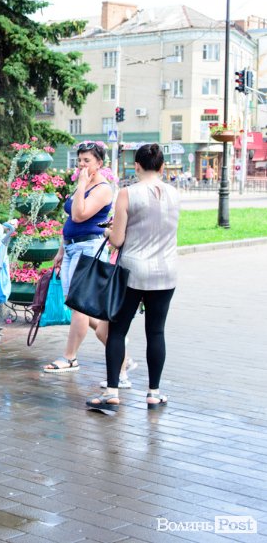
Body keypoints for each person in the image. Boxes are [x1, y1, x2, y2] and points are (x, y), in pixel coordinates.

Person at [87, 144, 179, 411]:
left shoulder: (127, 193)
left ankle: (112, 391)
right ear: (162, 167)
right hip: (166, 271)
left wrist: (107, 232)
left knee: (117, 330)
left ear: (136, 165)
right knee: (156, 331)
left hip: (133, 271)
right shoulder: (175, 194)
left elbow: (117, 240)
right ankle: (154, 393)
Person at [44, 141, 136, 382]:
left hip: (88, 248)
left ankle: (70, 357)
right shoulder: (82, 184)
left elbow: (79, 215)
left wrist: (82, 185)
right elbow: (69, 221)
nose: (82, 165)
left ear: (99, 163)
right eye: (79, 160)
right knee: (79, 306)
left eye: (87, 160)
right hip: (71, 248)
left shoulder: (103, 188)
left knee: (80, 306)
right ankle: (119, 349)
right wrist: (61, 249)